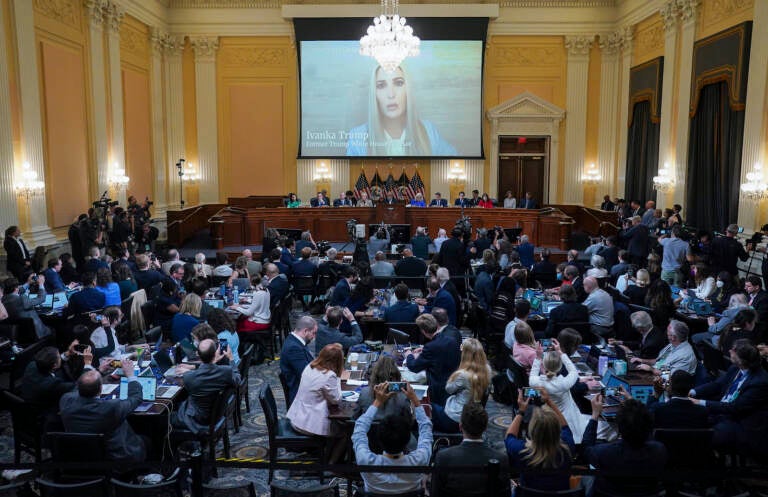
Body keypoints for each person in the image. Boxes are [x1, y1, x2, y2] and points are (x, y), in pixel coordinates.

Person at [346, 64, 457, 156]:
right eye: (381, 86)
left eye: (398, 83)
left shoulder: (428, 130)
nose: (391, 94)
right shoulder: (357, 136)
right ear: (374, 95)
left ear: (407, 90)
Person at [689, 339, 768, 455]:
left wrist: (700, 402)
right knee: (690, 416)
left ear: (741, 360)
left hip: (739, 422)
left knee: (707, 434)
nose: (730, 350)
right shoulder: (735, 368)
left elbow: (734, 408)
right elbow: (717, 384)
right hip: (723, 411)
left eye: (734, 350)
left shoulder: (759, 382)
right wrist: (693, 392)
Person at [353, 382, 433, 494]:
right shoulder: (419, 460)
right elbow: (426, 429)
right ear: (408, 440)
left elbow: (359, 429)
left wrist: (378, 402)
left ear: (379, 440)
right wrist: (415, 400)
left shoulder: (366, 461)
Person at [60, 362, 147, 463]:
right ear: (100, 389)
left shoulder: (66, 400)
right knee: (146, 440)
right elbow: (136, 397)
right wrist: (131, 375)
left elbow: (77, 388)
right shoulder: (111, 407)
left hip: (77, 456)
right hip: (112, 458)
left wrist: (98, 371)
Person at [583, 396, 668, 496]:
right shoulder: (659, 451)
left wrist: (595, 415)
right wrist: (636, 408)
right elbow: (644, 429)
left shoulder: (604, 453)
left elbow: (586, 449)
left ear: (619, 427)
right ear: (649, 426)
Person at [433, 402, 510, 497]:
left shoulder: (443, 457)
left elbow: (435, 493)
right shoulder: (502, 459)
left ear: (460, 427)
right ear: (485, 427)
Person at [505, 388, 575, 493]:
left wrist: (521, 411)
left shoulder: (521, 451)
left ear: (532, 430)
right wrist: (549, 402)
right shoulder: (567, 447)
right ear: (557, 430)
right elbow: (565, 427)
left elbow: (509, 436)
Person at [173, 339, 240, 434]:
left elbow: (203, 374)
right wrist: (231, 359)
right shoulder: (226, 372)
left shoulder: (188, 377)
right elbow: (238, 379)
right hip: (216, 414)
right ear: (215, 352)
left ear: (198, 354)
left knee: (164, 419)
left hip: (196, 420)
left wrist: (191, 371)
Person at [432, 338, 490, 433]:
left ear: (465, 354)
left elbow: (448, 389)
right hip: (471, 417)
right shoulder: (487, 370)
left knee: (426, 406)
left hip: (454, 419)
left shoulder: (463, 374)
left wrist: (456, 373)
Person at [287, 342, 343, 440]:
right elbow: (336, 399)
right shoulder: (329, 376)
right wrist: (338, 377)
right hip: (308, 426)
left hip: (296, 418)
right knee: (345, 431)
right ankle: (329, 455)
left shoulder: (309, 366)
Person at [405, 313, 461, 406]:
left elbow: (413, 367)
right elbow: (442, 351)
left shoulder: (431, 347)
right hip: (453, 383)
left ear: (423, 331)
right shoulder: (451, 340)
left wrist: (409, 355)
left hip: (438, 389)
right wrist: (424, 349)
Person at [631, 320, 697, 375]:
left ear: (673, 337)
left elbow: (671, 375)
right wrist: (643, 361)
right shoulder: (673, 344)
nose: (666, 334)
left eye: (667, 333)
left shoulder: (685, 356)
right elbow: (659, 361)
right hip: (655, 374)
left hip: (666, 385)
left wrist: (651, 369)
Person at [279, 316, 318, 406]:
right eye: (314, 333)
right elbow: (306, 375)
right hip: (301, 396)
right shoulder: (293, 348)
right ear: (305, 331)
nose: (314, 337)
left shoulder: (297, 341)